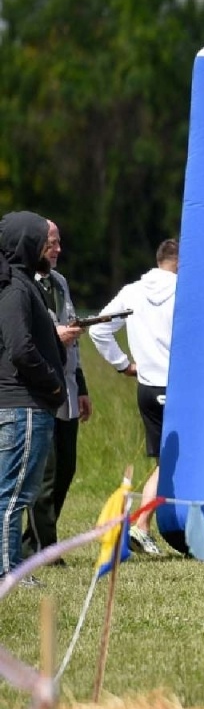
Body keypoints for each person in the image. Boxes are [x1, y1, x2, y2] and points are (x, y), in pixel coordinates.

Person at [88, 237, 180, 555]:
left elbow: (97, 329)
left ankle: (142, 524)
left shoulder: (132, 291)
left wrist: (124, 365)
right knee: (174, 462)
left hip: (147, 388)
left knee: (166, 461)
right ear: (180, 262)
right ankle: (141, 525)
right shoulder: (184, 290)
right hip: (176, 388)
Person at [0, 211, 67, 586]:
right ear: (28, 245)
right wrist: (52, 385)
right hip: (23, 405)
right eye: (45, 241)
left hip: (28, 405)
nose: (53, 249)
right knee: (13, 495)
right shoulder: (15, 289)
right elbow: (20, 348)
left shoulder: (23, 284)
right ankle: (9, 571)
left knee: (14, 493)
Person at [25, 221, 91, 562]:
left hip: (66, 387)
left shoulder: (61, 282)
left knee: (66, 469)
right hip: (38, 390)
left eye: (59, 242)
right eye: (52, 243)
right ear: (36, 244)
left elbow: (72, 336)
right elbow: (22, 338)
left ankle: (32, 542)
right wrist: (56, 336)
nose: (58, 249)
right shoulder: (21, 284)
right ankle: (45, 547)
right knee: (45, 474)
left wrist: (81, 387)